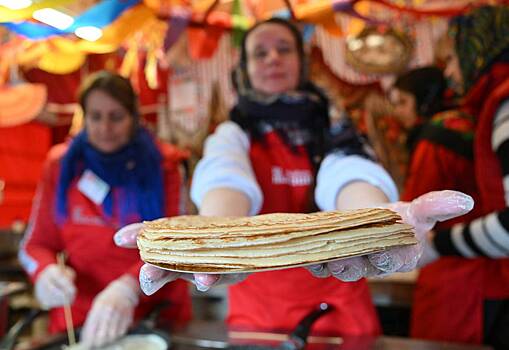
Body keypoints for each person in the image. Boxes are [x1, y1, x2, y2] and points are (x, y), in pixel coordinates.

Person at [114, 18, 472, 334]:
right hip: (257, 313)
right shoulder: (233, 133)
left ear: (301, 62)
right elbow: (225, 178)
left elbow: (349, 172)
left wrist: (377, 222)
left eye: (284, 49)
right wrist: (215, 239)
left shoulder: (333, 126)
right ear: (245, 68)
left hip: (339, 304)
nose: (273, 58)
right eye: (260, 53)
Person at [18, 71, 192, 347]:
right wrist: (45, 272)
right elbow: (35, 245)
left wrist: (129, 287)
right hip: (79, 322)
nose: (105, 128)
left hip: (152, 318)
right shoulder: (61, 166)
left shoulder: (164, 165)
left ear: (134, 117)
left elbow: (178, 246)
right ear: (83, 117)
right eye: (95, 117)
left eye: (116, 117)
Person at [403, 6, 509, 349]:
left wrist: (436, 245)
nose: (448, 71)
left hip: (465, 286)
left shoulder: (502, 103)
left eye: (451, 57)